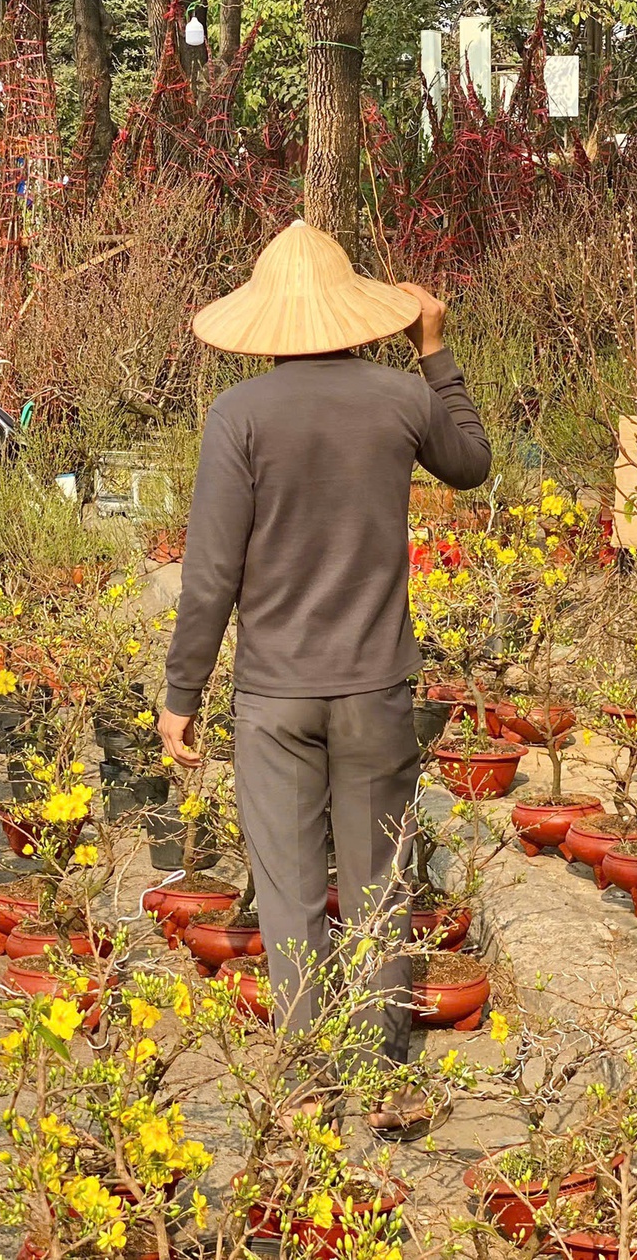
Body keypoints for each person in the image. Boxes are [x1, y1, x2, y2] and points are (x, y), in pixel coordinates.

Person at [156, 220, 491, 1135]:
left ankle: (306, 1079)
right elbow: (472, 464)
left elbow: (211, 574)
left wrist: (181, 696)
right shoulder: (398, 399)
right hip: (378, 687)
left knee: (294, 889)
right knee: (380, 880)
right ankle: (380, 1077)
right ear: (356, 314)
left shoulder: (241, 416)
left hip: (273, 698)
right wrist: (434, 350)